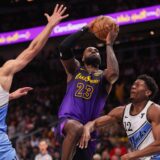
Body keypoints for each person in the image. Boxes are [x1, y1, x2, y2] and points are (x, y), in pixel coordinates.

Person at [0, 4, 68, 160]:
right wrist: (7, 97)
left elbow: (32, 50)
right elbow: (32, 50)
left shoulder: (3, 73)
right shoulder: (3, 75)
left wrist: (50, 27)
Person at [57, 20, 119, 160]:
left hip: (89, 130)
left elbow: (114, 73)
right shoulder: (75, 69)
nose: (94, 50)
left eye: (97, 50)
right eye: (90, 50)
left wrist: (109, 44)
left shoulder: (104, 76)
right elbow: (63, 47)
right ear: (83, 57)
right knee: (75, 128)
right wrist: (85, 28)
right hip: (67, 122)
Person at [79, 74, 160, 160]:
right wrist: (87, 127)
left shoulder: (154, 110)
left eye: (138, 85)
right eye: (133, 84)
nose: (133, 86)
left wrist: (132, 155)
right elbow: (95, 123)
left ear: (148, 92)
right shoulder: (122, 111)